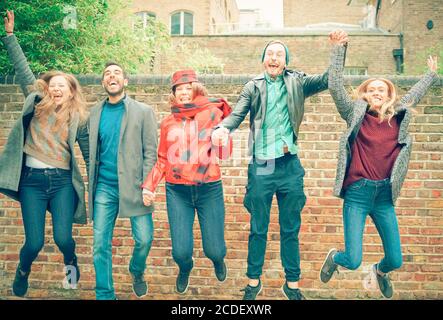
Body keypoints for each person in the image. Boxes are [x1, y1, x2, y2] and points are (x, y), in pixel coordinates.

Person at [211, 34, 347, 300]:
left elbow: (331, 79)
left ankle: (292, 285)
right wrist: (222, 128)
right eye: (269, 54)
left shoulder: (298, 82)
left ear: (286, 62)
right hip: (261, 167)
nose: (273, 58)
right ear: (263, 60)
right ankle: (253, 283)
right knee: (258, 228)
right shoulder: (253, 86)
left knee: (290, 229)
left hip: (290, 167)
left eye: (279, 54)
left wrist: (338, 50)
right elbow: (237, 114)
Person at [319, 31, 439, 299]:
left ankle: (380, 272)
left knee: (395, 260)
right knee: (351, 259)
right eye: (371, 89)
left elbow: (414, 96)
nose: (376, 93)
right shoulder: (355, 114)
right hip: (358, 194)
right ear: (365, 94)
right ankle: (334, 258)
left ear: (388, 95)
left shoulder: (399, 117)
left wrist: (431, 75)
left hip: (384, 196)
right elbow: (335, 86)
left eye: (381, 90)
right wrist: (338, 49)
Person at [0, 10, 89, 297]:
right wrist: (10, 36)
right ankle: (23, 271)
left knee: (64, 239)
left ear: (71, 91)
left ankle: (71, 266)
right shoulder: (37, 103)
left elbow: (89, 155)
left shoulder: (79, 118)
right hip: (32, 183)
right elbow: (24, 70)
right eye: (53, 86)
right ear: (47, 89)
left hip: (62, 182)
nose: (56, 89)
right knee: (34, 243)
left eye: (62, 86)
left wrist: (101, 184)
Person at [141, 69, 232, 295]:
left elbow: (225, 153)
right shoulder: (168, 122)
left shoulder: (213, 114)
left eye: (187, 87)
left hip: (209, 189)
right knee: (180, 252)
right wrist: (149, 185)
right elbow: (162, 158)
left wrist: (223, 140)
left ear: (196, 89)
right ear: (174, 94)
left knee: (215, 250)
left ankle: (218, 261)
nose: (183, 92)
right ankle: (185, 268)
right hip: (177, 191)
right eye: (178, 89)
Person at [88, 61, 158, 300]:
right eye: (107, 74)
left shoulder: (143, 111)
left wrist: (149, 186)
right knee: (99, 244)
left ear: (125, 81)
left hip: (136, 186)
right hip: (104, 188)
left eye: (116, 72)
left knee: (145, 239)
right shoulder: (95, 113)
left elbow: (151, 153)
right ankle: (105, 294)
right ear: (103, 83)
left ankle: (136, 270)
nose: (111, 76)